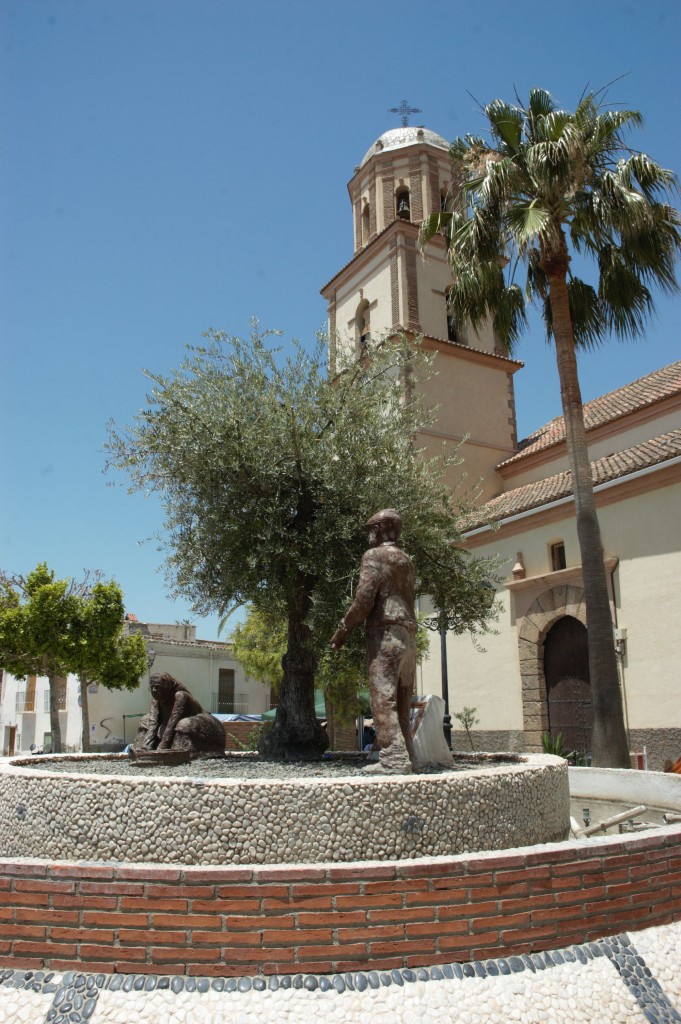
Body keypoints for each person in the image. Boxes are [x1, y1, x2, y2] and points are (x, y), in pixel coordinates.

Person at [330, 509, 417, 774]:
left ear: (379, 529)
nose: (368, 535)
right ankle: (410, 756)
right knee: (402, 700)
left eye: (370, 529)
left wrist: (343, 630)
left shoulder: (374, 556)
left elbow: (364, 599)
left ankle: (394, 759)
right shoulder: (406, 560)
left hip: (385, 634)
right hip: (409, 636)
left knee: (383, 697)